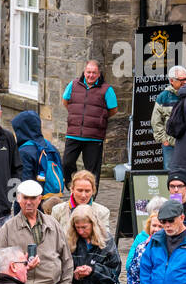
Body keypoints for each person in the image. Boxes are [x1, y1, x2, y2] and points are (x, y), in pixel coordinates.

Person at [61, 59, 117, 188]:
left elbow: (113, 110)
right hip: (73, 134)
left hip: (94, 136)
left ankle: (90, 199)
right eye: (88, 72)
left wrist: (99, 118)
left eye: (94, 72)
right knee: (67, 163)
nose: (90, 75)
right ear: (84, 72)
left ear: (99, 74)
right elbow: (66, 101)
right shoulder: (73, 84)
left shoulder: (106, 89)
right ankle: (74, 189)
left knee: (92, 171)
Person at [13, 109, 63, 196]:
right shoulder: (51, 147)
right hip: (53, 198)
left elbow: (24, 184)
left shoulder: (24, 152)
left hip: (33, 200)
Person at [50, 169, 112, 236]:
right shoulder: (58, 210)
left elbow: (106, 240)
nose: (83, 195)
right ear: (72, 189)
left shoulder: (102, 212)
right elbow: (52, 238)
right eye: (79, 190)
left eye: (87, 191)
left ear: (93, 191)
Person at [152, 66, 186, 170]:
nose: (185, 82)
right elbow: (156, 121)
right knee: (170, 171)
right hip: (170, 144)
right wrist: (163, 139)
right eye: (181, 80)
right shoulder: (163, 97)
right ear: (172, 81)